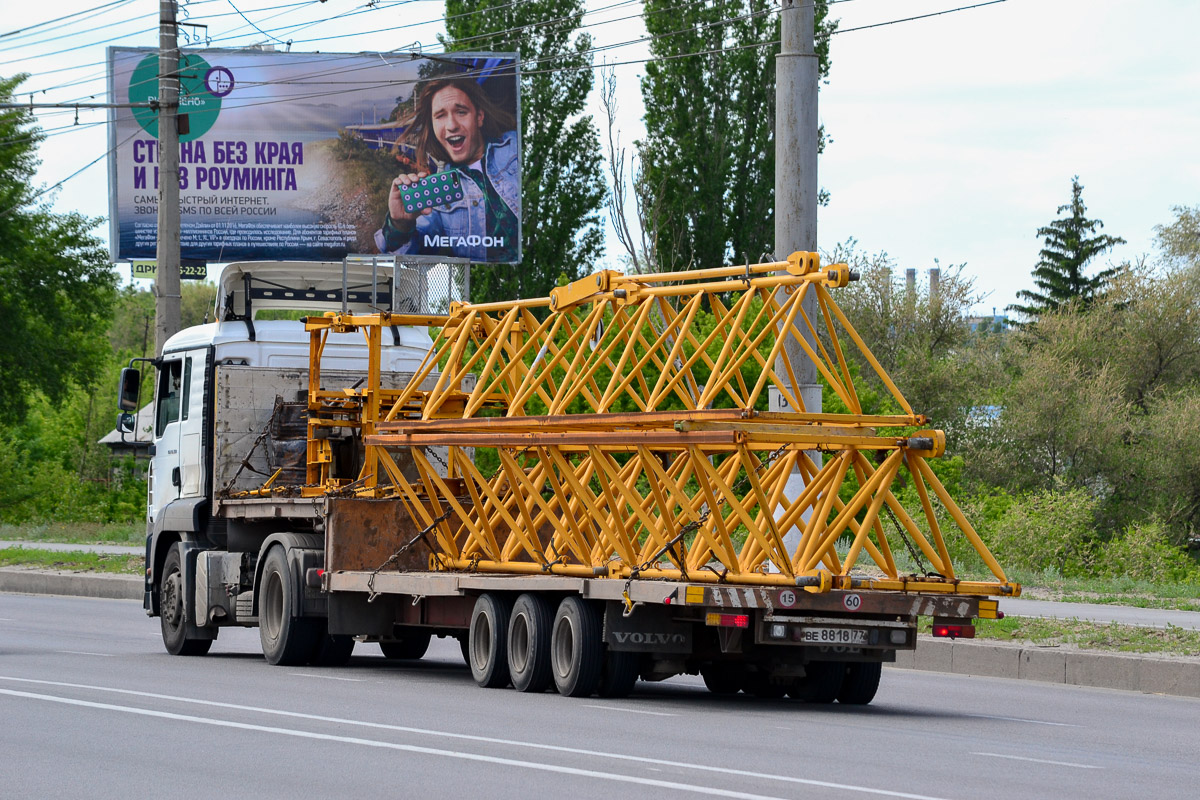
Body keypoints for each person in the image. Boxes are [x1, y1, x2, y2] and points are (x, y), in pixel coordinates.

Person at [375, 76, 520, 263]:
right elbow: (410, 256)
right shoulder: (437, 192)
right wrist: (399, 225)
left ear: (479, 117)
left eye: (461, 112)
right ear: (433, 126)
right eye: (440, 115)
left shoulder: (516, 145)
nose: (451, 125)